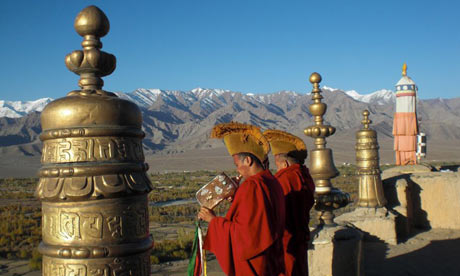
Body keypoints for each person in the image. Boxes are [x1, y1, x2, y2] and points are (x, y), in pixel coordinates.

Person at [198, 122, 286, 276]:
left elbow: (245, 235)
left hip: (255, 262)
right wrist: (237, 196)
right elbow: (258, 216)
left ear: (248, 161)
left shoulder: (251, 186)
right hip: (272, 258)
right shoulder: (271, 181)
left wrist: (213, 220)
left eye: (237, 164)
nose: (237, 169)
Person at [263, 130, 315, 276]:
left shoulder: (284, 180)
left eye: (277, 165)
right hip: (301, 240)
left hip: (287, 243)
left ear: (285, 164)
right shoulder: (305, 176)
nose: (277, 169)